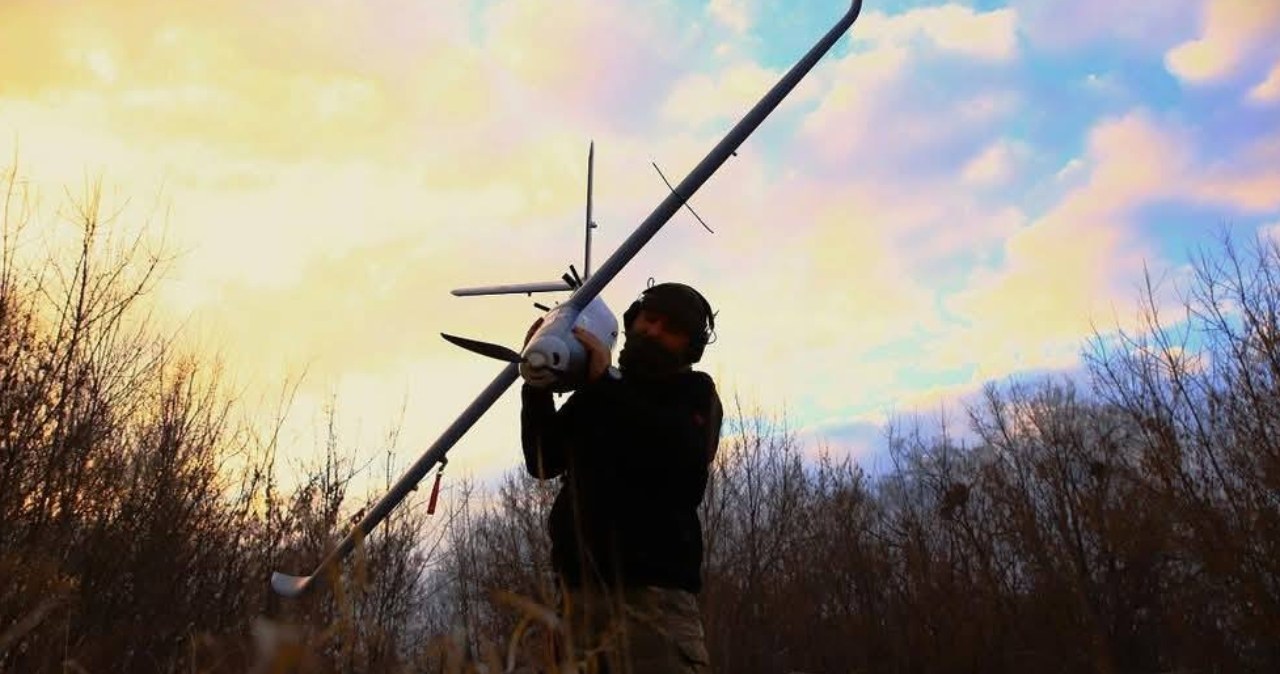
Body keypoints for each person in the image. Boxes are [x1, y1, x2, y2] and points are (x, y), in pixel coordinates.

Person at [520, 282, 724, 674]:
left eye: (671, 328)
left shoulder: (694, 395)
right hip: (576, 603)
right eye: (650, 320)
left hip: (654, 608)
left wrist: (604, 387)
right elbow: (544, 462)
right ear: (634, 322)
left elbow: (683, 463)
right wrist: (537, 386)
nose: (654, 332)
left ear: (690, 347)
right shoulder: (600, 392)